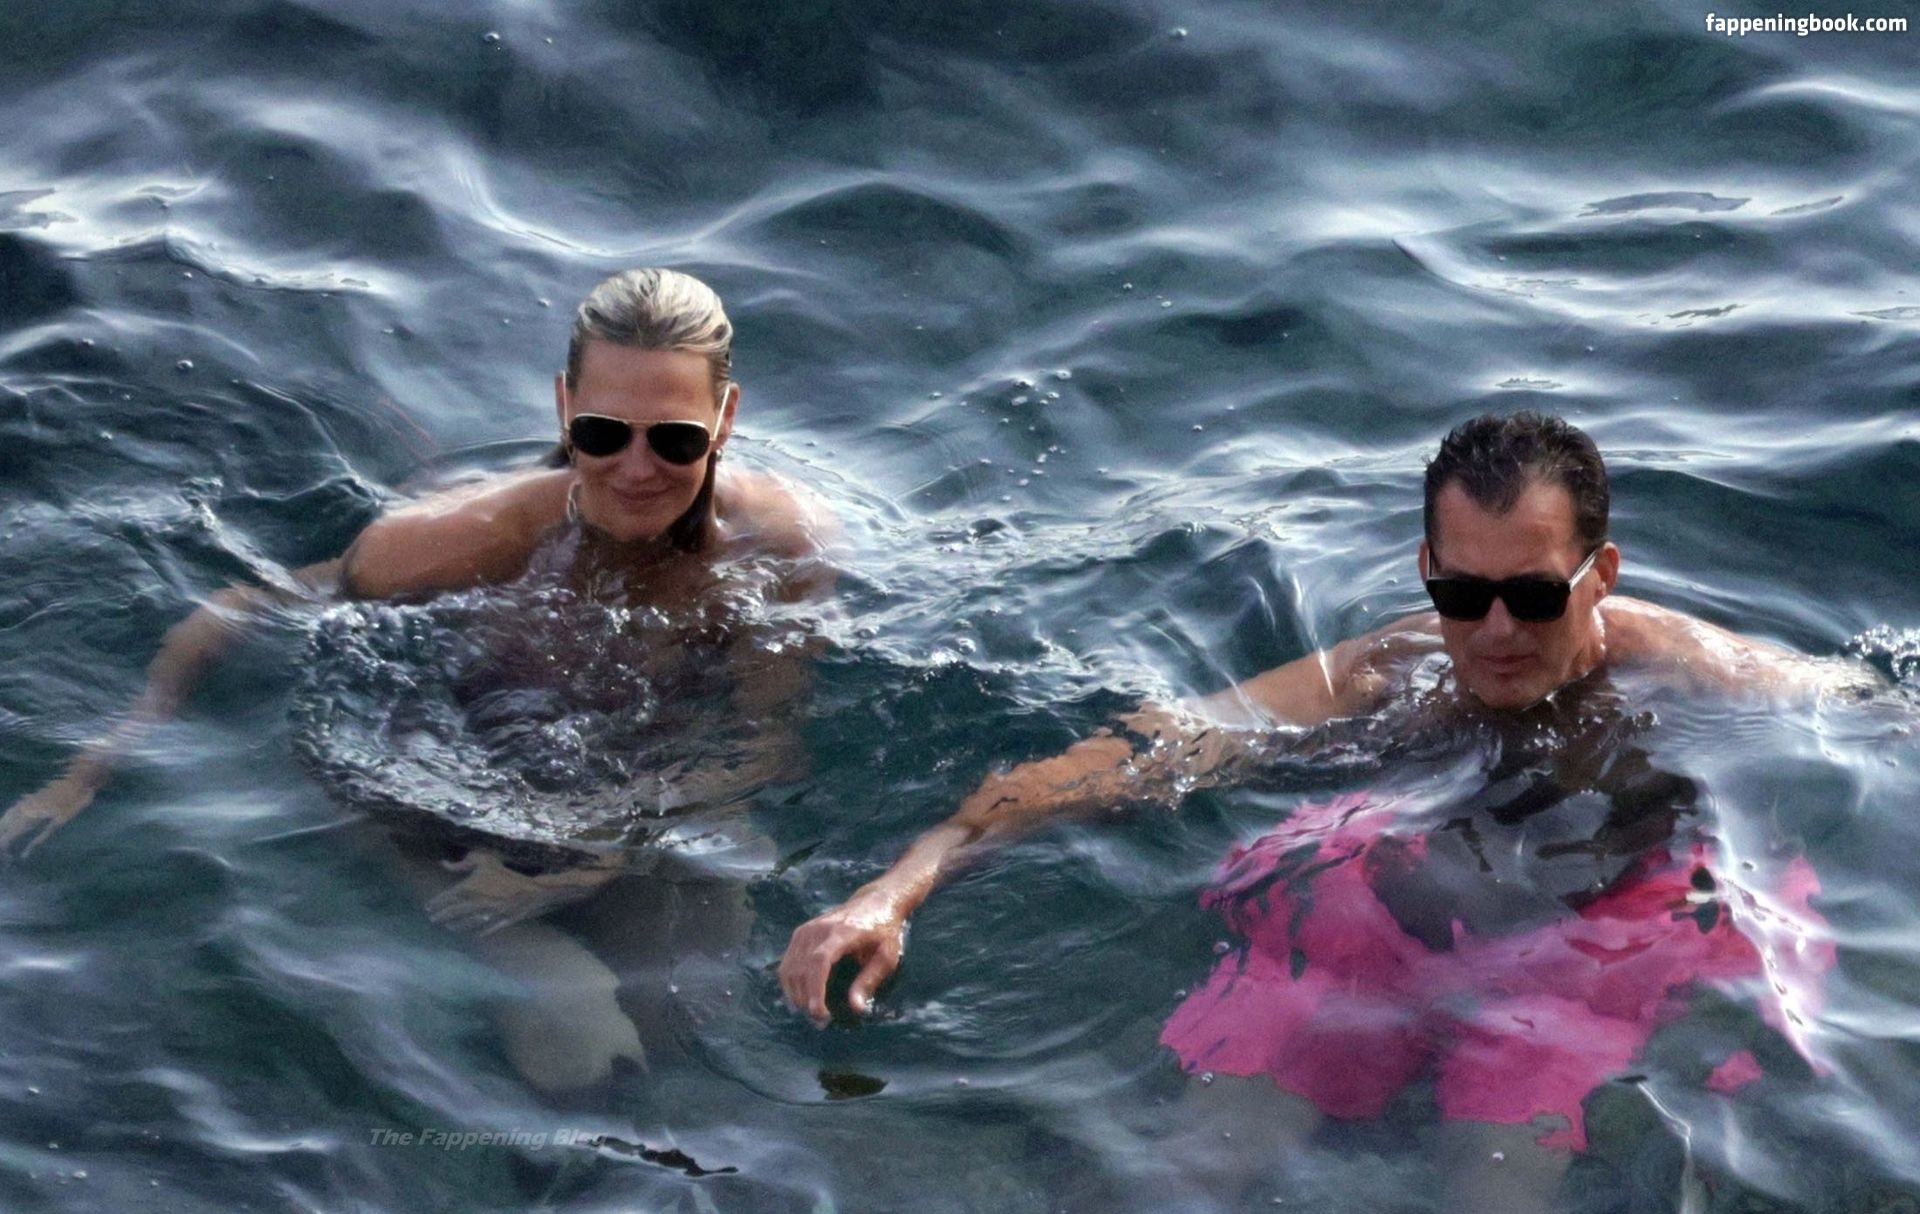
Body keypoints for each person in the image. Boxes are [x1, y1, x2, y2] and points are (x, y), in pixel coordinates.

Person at [779, 411, 1859, 1207]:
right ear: (1427, 569)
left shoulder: (1697, 673)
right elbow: (1134, 757)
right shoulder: (1393, 671)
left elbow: (1876, 717)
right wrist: (898, 885)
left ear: (1601, 574)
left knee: (1494, 1186)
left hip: (1605, 924)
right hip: (1415, 896)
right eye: (1461, 593)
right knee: (1184, 1176)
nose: (1494, 630)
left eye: (1533, 595)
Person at [3, 267, 837, 1091]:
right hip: (441, 827)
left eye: (675, 439)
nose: (637, 467)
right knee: (581, 1031)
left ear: (725, 419)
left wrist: (606, 853)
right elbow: (246, 609)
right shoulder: (458, 541)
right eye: (603, 433)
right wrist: (89, 772)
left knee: (700, 1011)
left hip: (624, 814)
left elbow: (763, 745)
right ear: (563, 409)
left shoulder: (780, 542)